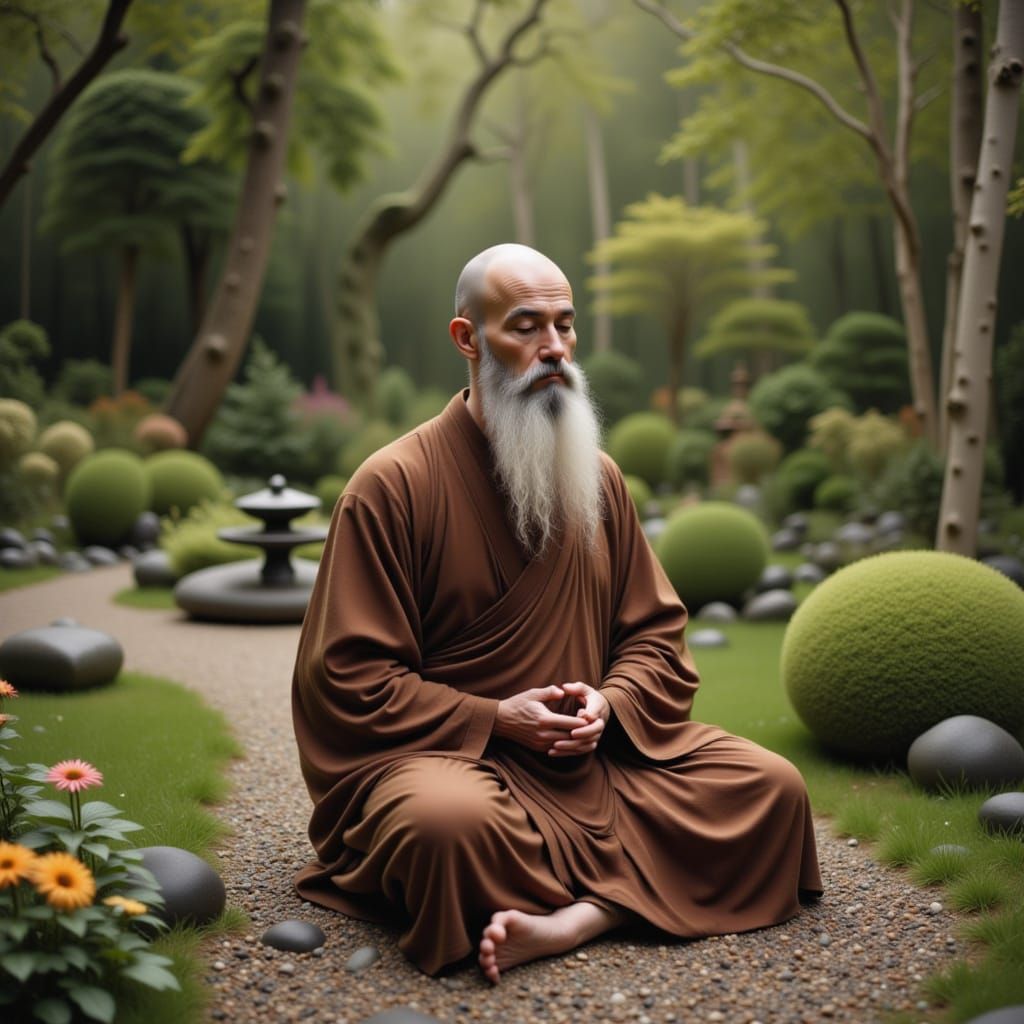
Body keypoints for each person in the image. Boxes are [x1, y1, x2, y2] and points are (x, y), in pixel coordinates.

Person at [291, 243, 822, 984]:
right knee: (446, 830)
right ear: (467, 339)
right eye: (526, 326)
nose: (553, 349)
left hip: (594, 759)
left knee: (771, 789)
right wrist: (496, 719)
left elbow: (655, 637)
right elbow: (346, 678)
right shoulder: (391, 486)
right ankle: (633, 892)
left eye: (566, 327)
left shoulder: (597, 477)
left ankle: (576, 918)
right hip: (453, 760)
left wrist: (609, 704)